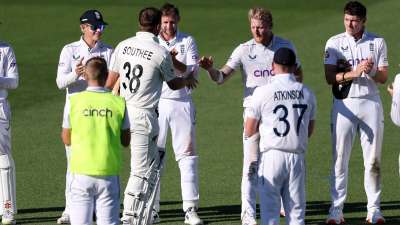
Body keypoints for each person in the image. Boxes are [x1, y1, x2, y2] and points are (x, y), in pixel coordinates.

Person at [199, 7, 302, 225]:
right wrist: (210, 69)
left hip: (278, 115)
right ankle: (247, 214)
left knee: (279, 160)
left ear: (270, 26)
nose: (257, 31)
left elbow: (298, 75)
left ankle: (285, 206)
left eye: (261, 27)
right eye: (253, 27)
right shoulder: (243, 50)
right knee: (251, 164)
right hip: (253, 115)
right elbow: (220, 78)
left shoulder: (285, 46)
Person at [105, 7, 197, 225]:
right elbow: (174, 84)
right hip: (143, 116)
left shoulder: (123, 45)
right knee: (139, 170)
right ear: (157, 27)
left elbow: (110, 83)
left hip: (119, 110)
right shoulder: (160, 52)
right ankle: (128, 217)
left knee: (147, 165)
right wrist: (186, 80)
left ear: (139, 23)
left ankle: (146, 212)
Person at [323, 1, 388, 224]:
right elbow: (329, 77)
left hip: (371, 103)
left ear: (363, 21)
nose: (350, 24)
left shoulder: (377, 41)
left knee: (373, 160)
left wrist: (370, 71)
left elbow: (383, 77)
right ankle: (336, 210)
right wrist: (354, 72)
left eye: (355, 21)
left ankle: (374, 210)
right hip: (344, 104)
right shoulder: (334, 42)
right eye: (347, 19)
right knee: (340, 159)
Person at [245, 47, 316, 225]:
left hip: (272, 157)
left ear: (273, 66)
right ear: (294, 67)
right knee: (296, 214)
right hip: (297, 157)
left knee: (270, 214)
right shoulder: (307, 93)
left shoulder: (262, 92)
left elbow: (249, 130)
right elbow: (309, 130)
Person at [56, 9, 113, 224]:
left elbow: (115, 82)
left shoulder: (109, 51)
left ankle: (100, 208)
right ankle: (70, 210)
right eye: (94, 27)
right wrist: (76, 74)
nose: (99, 30)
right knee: (73, 163)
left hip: (99, 114)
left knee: (100, 159)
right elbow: (60, 83)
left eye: (101, 26)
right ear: (83, 28)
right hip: (75, 113)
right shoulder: (69, 50)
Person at [149, 3, 202, 225]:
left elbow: (191, 74)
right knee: (154, 158)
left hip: (182, 103)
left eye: (172, 22)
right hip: (158, 103)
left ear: (178, 20)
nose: (168, 27)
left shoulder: (187, 41)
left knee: (187, 157)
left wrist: (172, 61)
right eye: (164, 22)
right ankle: (153, 209)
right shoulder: (152, 42)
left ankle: (190, 209)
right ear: (159, 23)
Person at [61, 57, 130, 225]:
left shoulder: (74, 101)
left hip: (81, 173)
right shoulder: (119, 102)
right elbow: (125, 140)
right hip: (108, 173)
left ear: (85, 76)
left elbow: (66, 139)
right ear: (107, 76)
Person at [0, 41, 19, 225]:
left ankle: (7, 210)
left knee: (3, 157)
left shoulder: (6, 50)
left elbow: (13, 81)